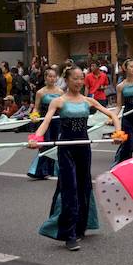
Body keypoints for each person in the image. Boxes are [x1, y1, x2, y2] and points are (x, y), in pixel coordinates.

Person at [28, 67, 123, 251]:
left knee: (84, 186)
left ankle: (80, 227)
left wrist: (118, 133)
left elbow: (112, 114)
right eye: (75, 79)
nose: (79, 82)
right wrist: (36, 139)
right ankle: (69, 234)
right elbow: (46, 121)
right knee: (69, 189)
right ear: (67, 80)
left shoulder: (88, 101)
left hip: (84, 148)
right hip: (66, 149)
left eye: (81, 79)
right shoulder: (59, 101)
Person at [27, 68, 64, 180]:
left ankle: (53, 170)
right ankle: (40, 170)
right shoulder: (40, 92)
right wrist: (34, 116)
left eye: (54, 76)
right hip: (44, 120)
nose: (52, 79)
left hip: (57, 120)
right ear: (45, 78)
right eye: (50, 76)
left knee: (56, 143)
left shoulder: (60, 92)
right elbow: (36, 108)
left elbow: (63, 107)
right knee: (45, 144)